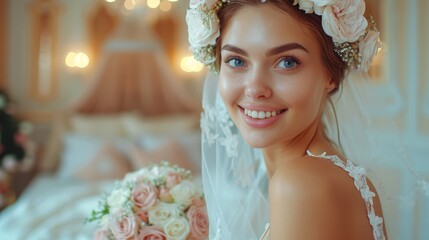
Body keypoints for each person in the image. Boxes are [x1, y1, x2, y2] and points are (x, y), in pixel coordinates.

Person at [187, 0, 427, 239]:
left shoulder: (300, 186)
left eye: (287, 62)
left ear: (330, 75)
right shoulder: (317, 174)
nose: (255, 89)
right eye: (236, 61)